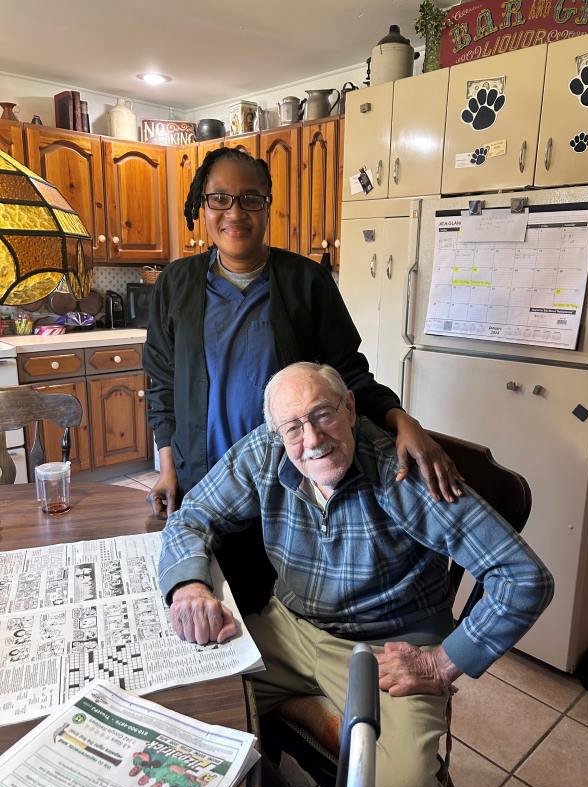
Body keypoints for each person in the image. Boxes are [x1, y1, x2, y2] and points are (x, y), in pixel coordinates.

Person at [158, 362, 554, 787]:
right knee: (188, 710)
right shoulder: (263, 452)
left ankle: (302, 709)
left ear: (349, 407)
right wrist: (190, 586)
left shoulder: (401, 474)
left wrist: (442, 663)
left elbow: (523, 578)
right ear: (276, 431)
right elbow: (191, 516)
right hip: (288, 628)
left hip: (388, 650)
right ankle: (306, 709)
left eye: (322, 415)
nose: (311, 440)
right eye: (293, 427)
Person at [143, 147, 459, 610]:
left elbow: (347, 375)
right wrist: (168, 469)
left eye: (250, 199)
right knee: (213, 606)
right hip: (204, 478)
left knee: (279, 604)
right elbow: (161, 383)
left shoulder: (307, 282)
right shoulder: (176, 282)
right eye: (220, 199)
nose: (235, 213)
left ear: (268, 204)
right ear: (203, 205)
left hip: (288, 484)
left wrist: (400, 419)